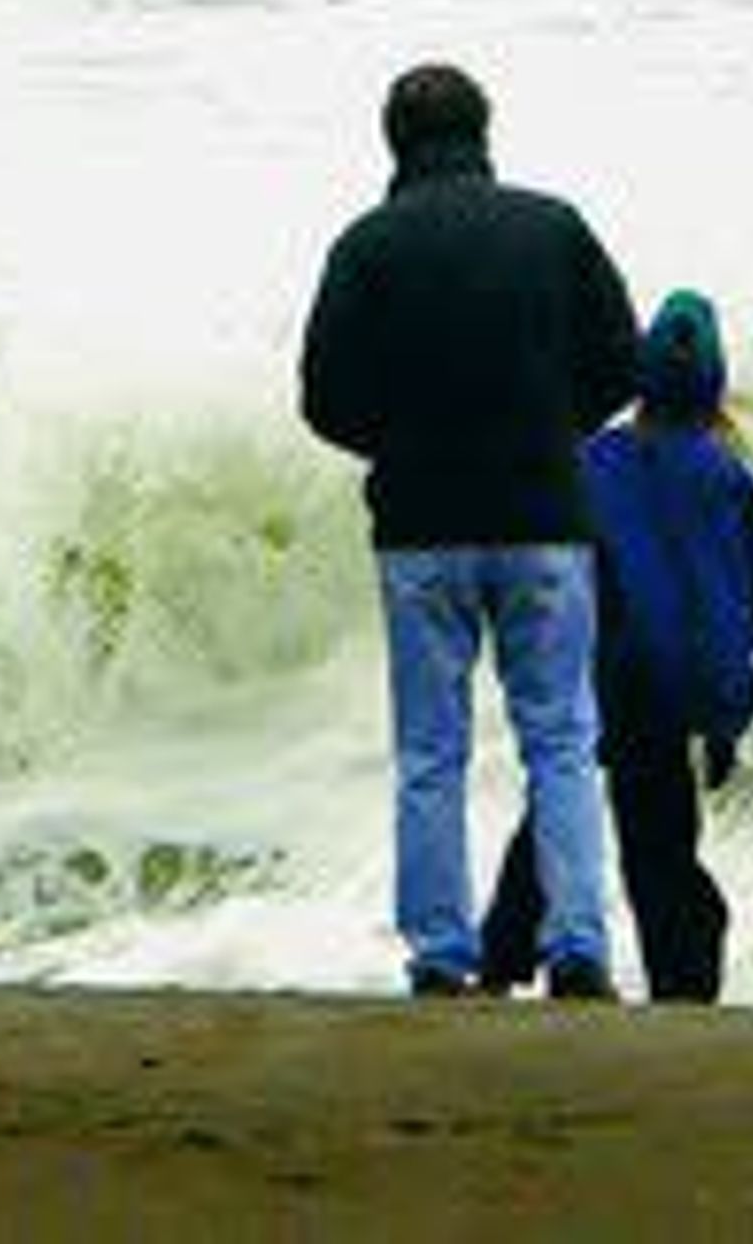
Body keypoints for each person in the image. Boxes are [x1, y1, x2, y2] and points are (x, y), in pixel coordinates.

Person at [299, 60, 641, 1000]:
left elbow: (322, 398)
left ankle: (442, 957)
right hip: (541, 519)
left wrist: (401, 443)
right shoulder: (551, 226)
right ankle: (577, 948)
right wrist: (550, 431)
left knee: (430, 751)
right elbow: (625, 359)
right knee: (562, 737)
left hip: (419, 529)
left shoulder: (365, 247)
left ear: (393, 143)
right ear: (486, 132)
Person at [477, 288, 753, 1006]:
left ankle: (503, 959)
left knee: (558, 807)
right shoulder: (727, 475)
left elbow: (550, 572)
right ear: (715, 388)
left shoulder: (592, 462)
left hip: (608, 676)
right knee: (663, 845)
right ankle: (682, 986)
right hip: (691, 685)